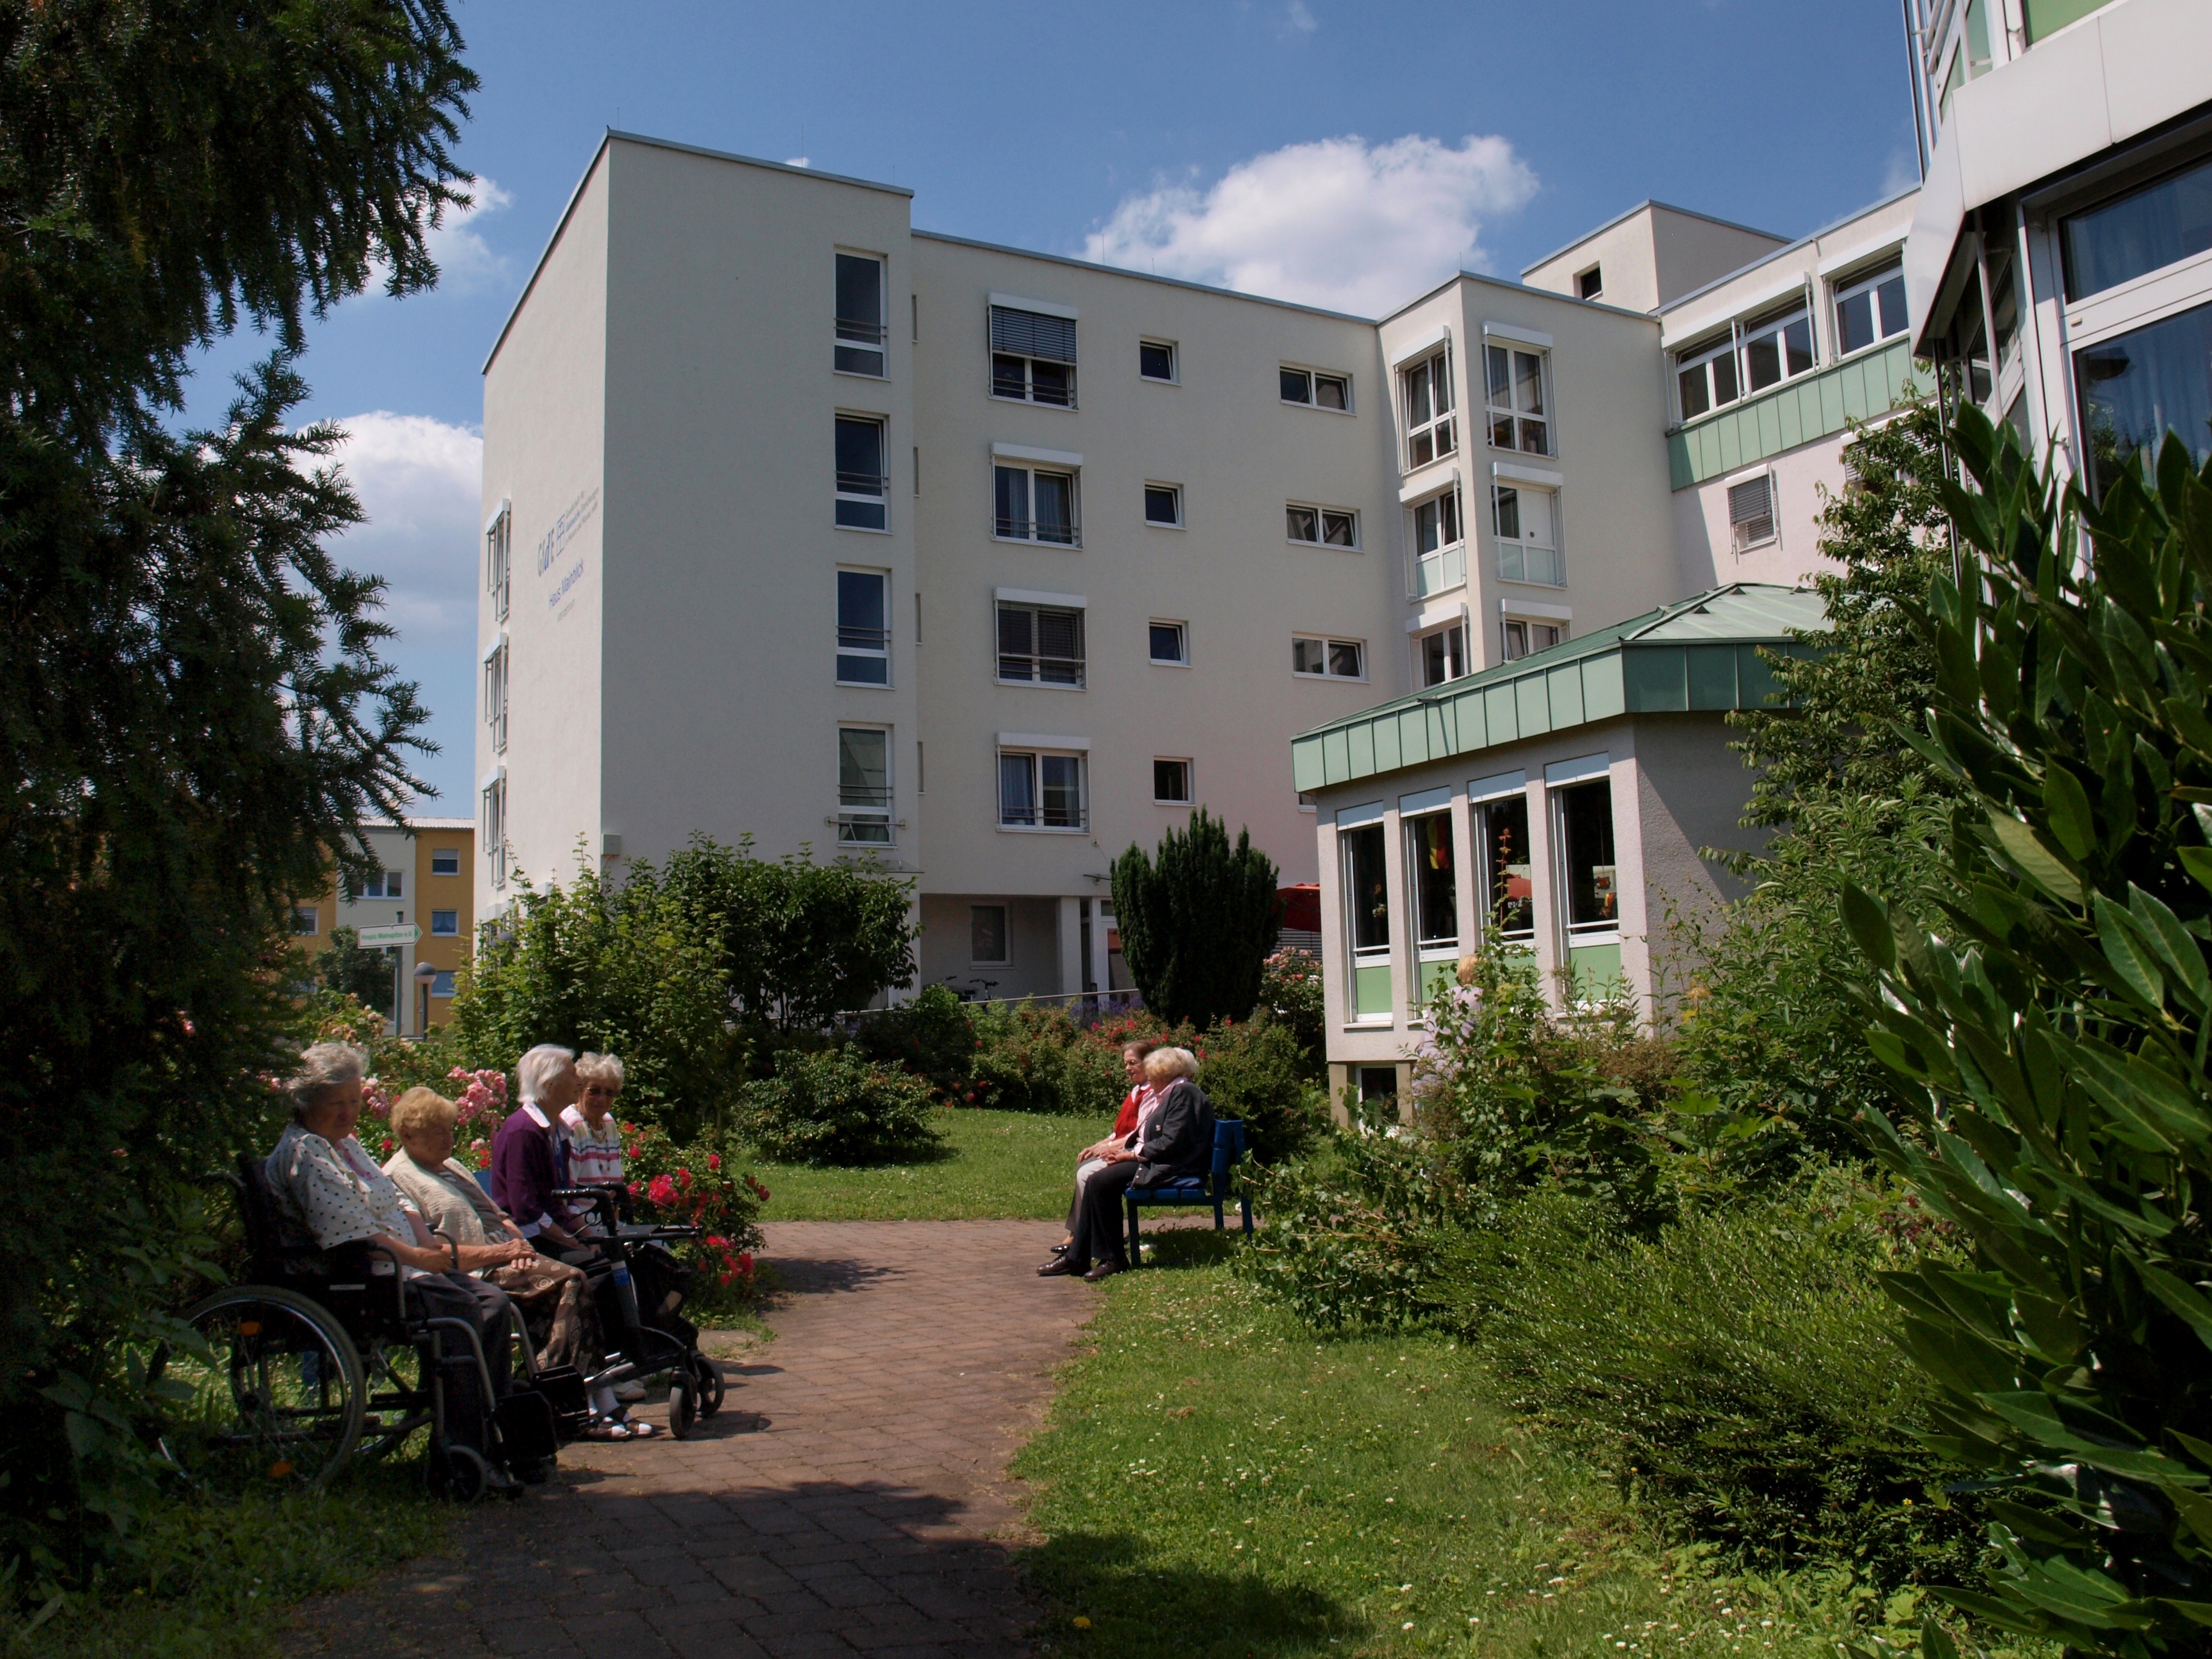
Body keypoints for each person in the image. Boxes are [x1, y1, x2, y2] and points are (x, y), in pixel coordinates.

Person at [265, 1043, 530, 1488]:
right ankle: (461, 1452)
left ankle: (491, 1435)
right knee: (464, 1312)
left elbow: (390, 1201)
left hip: (398, 1271)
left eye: (354, 1100)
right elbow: (355, 1238)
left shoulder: (342, 1147)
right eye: (338, 1103)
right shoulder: (306, 1154)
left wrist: (424, 1248)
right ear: (307, 1102)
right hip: (359, 1279)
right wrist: (422, 1257)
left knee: (493, 1302)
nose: (350, 1112)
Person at [383, 1087, 646, 1440]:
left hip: (504, 1256)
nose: (449, 1138)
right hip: (472, 1269)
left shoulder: (451, 1166)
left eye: (449, 1128)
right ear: (408, 1135)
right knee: (570, 1281)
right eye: (437, 1132)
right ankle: (578, 1402)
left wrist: (516, 1239)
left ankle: (584, 1400)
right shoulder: (399, 1177)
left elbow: (497, 1214)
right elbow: (433, 1252)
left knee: (577, 1280)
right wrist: (502, 1253)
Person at [1043, 1046, 1216, 1282]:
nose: (1151, 1084)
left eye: (1154, 1078)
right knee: (1097, 1181)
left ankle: (1112, 1259)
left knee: (1101, 1182)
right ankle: (1079, 1257)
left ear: (1164, 1075)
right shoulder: (1175, 1093)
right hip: (1160, 1161)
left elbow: (1172, 1143)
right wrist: (1126, 1149)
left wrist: (1130, 1155)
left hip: (1173, 1166)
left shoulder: (1183, 1093)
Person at [1053, 1040, 1161, 1256]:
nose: (1128, 1068)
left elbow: (1136, 1135)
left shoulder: (1152, 1094)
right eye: (1126, 1064)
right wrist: (1097, 1146)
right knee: (1084, 1167)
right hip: (1125, 1147)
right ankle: (1083, 1234)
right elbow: (1119, 1131)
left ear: (1148, 1062)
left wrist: (1109, 1148)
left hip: (1135, 1153)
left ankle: (1082, 1238)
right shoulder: (1135, 1092)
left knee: (1087, 1174)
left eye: (1133, 1063)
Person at [491, 1045, 592, 1253]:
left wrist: (588, 1237)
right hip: (528, 1242)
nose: (580, 1082)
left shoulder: (558, 1130)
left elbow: (561, 1199)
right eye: (573, 1075)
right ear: (550, 1083)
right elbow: (525, 1209)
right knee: (605, 1268)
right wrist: (574, 1243)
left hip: (555, 1235)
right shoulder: (523, 1131)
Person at [560, 1053, 628, 1193]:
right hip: (580, 1214)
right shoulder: (572, 1124)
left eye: (609, 1093)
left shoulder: (609, 1123)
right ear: (580, 1089)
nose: (601, 1099)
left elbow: (615, 1188)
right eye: (594, 1091)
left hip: (605, 1213)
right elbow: (567, 1188)